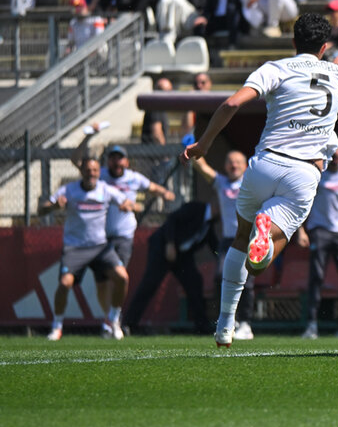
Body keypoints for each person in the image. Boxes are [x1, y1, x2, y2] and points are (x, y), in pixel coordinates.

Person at [181, 12, 338, 348]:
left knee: (239, 240)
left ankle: (225, 326)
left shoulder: (275, 68)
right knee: (260, 263)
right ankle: (266, 230)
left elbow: (231, 103)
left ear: (292, 43)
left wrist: (205, 143)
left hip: (264, 164)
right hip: (303, 175)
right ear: (325, 47)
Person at [70, 140, 175, 336]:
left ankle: (113, 318)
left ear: (126, 162)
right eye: (112, 159)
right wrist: (89, 136)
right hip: (99, 236)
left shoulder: (133, 178)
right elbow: (77, 162)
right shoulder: (98, 175)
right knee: (102, 281)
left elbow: (151, 187)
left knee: (118, 276)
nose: (116, 163)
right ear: (107, 161)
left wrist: (165, 193)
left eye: (120, 159)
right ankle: (109, 319)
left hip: (123, 235)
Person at [38, 158, 135, 341]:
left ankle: (113, 320)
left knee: (122, 277)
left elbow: (130, 202)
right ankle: (57, 327)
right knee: (65, 283)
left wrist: (127, 205)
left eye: (95, 170)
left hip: (100, 247)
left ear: (99, 172)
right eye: (88, 170)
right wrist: (53, 206)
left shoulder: (106, 189)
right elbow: (40, 210)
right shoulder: (69, 190)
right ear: (81, 171)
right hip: (75, 247)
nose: (92, 173)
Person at [122, 201, 218, 335]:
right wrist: (170, 243)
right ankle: (128, 324)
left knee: (195, 283)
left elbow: (214, 246)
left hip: (182, 256)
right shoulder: (197, 208)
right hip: (163, 248)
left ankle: (201, 326)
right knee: (149, 285)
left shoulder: (209, 224)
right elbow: (172, 219)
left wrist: (223, 258)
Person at [298, 138, 338, 339]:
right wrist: (301, 230)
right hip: (319, 229)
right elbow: (302, 201)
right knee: (316, 277)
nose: (336, 153)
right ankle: (312, 324)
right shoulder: (315, 171)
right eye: (332, 149)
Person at [190, 150, 255, 340]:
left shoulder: (250, 183)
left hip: (250, 238)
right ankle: (230, 319)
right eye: (230, 162)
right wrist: (191, 148)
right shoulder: (221, 183)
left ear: (245, 166)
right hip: (229, 240)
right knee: (221, 276)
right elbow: (202, 167)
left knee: (247, 282)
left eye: (237, 162)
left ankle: (246, 323)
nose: (233, 165)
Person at [142, 77, 173, 145]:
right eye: (161, 90)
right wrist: (164, 152)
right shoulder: (156, 107)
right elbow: (157, 134)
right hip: (153, 153)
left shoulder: (159, 107)